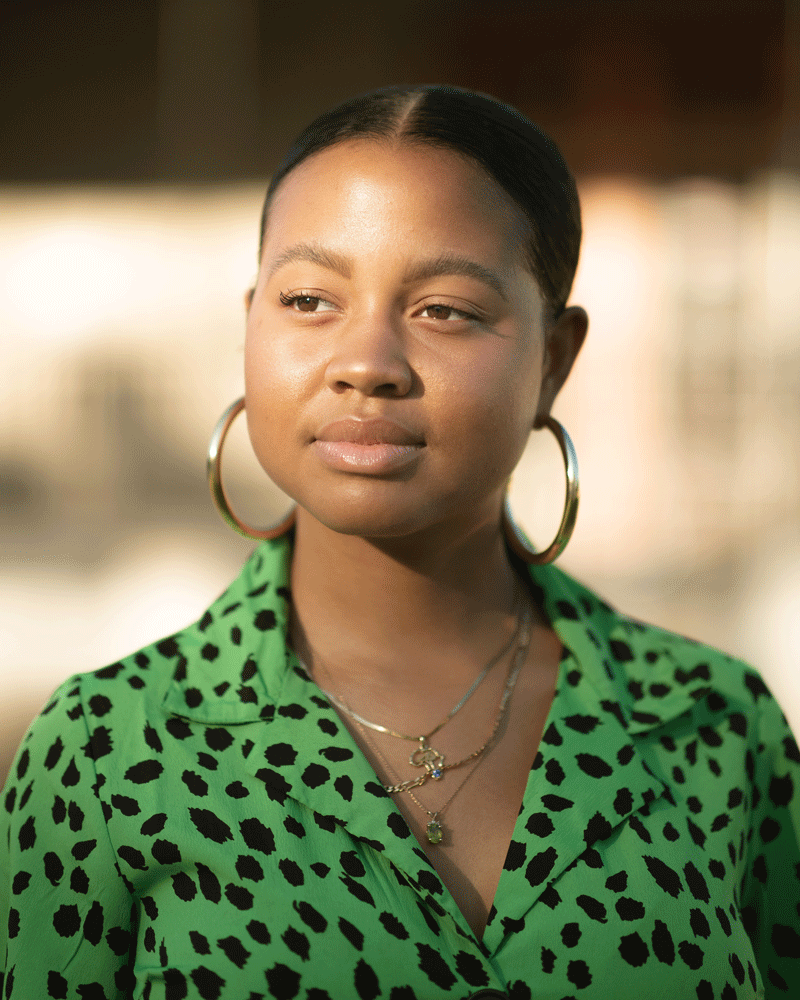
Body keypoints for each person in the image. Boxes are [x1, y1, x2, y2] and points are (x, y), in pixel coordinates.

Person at [1, 85, 798, 1000]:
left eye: (445, 310)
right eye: (308, 300)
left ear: (554, 360)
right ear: (249, 324)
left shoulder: (715, 727)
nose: (366, 363)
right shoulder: (107, 753)